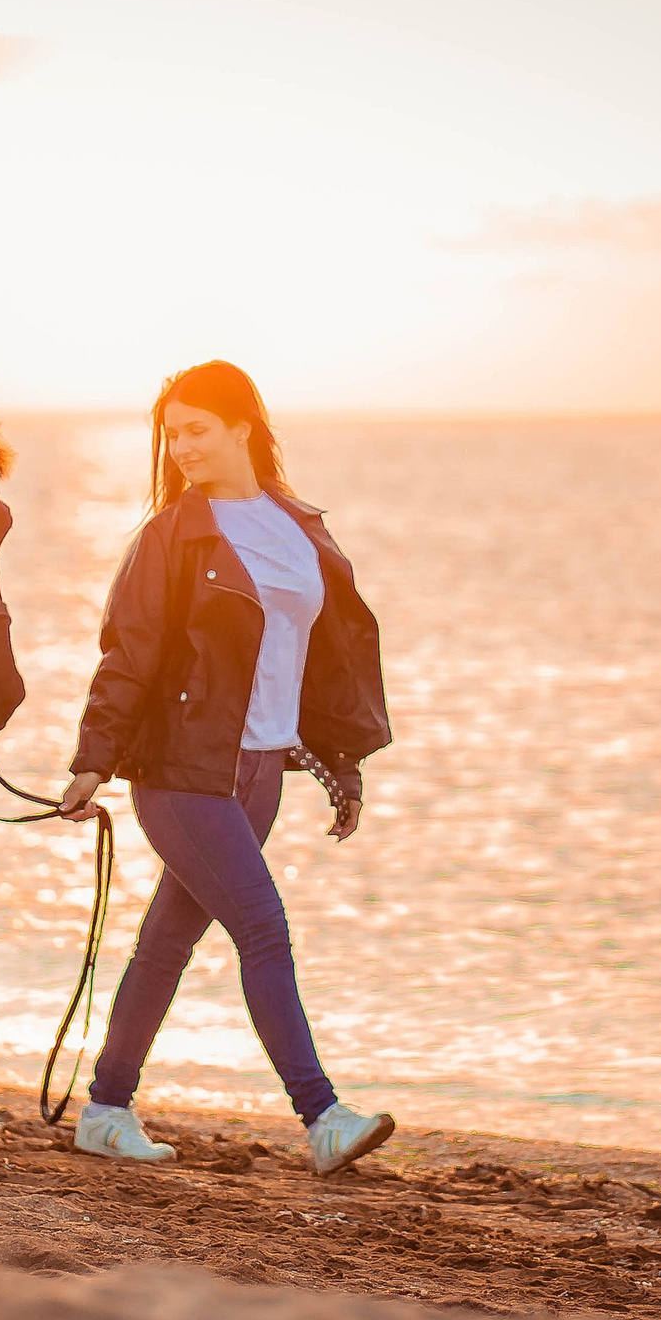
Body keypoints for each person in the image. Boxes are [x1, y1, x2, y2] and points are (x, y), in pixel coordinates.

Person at [58, 361, 397, 1177]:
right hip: (181, 774)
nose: (181, 448)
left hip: (260, 775)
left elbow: (319, 661)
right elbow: (129, 656)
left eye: (197, 429)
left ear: (242, 424)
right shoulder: (175, 535)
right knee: (262, 927)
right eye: (171, 435)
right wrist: (92, 761)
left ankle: (105, 1108)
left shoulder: (298, 525)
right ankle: (322, 1116)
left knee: (167, 942)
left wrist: (340, 765)